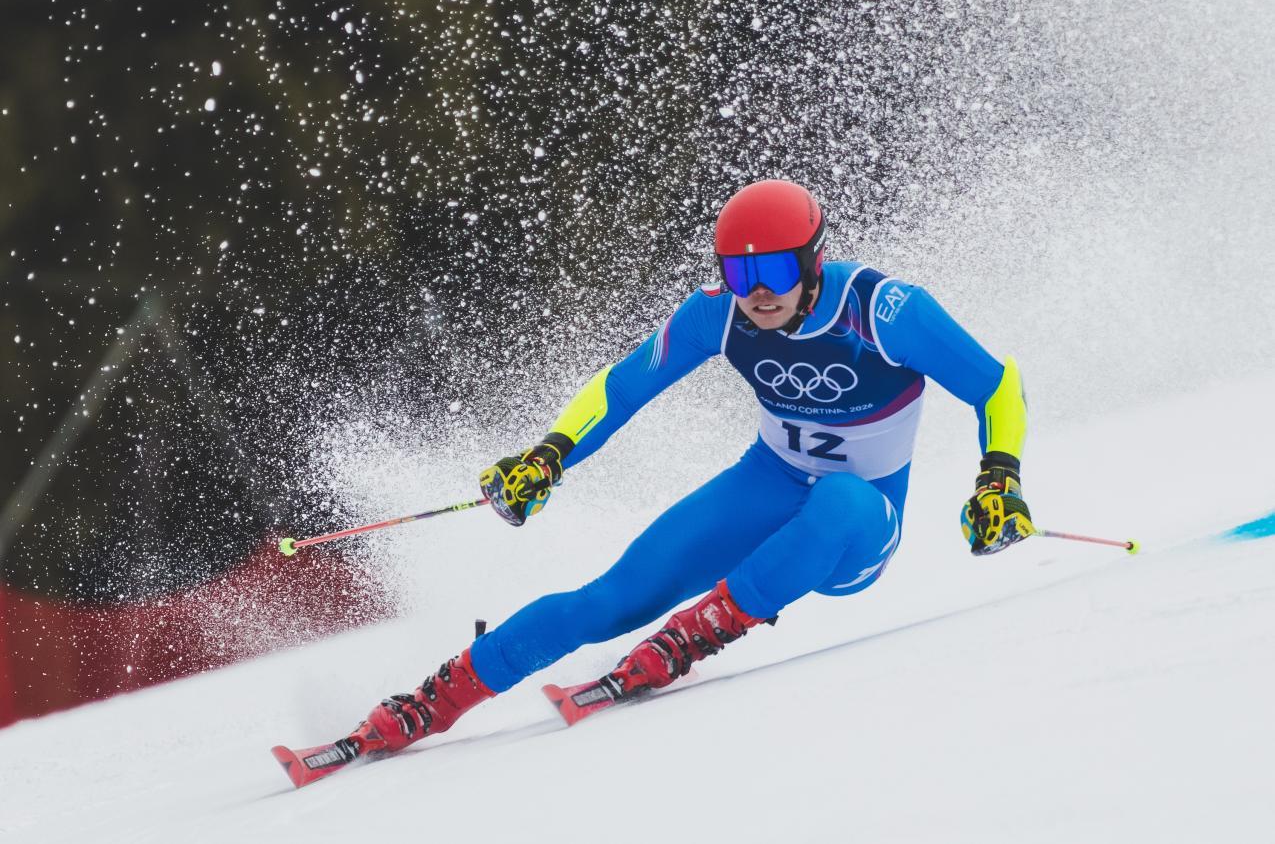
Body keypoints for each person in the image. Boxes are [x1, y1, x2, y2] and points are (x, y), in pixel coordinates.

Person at [312, 179, 1034, 771]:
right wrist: (547, 455)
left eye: (776, 270)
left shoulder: (882, 309)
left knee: (840, 499)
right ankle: (433, 700)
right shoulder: (715, 315)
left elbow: (996, 387)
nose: (757, 292)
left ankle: (693, 635)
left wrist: (998, 478)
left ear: (814, 262)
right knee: (609, 599)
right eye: (738, 272)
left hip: (858, 528)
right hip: (768, 484)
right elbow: (620, 388)